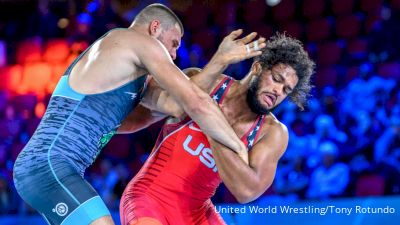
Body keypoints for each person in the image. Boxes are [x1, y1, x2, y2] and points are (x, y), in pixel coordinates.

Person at [13, 3, 265, 225]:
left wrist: (219, 62)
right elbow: (197, 102)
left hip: (50, 169)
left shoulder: (130, 73)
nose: (175, 54)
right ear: (155, 28)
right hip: (47, 165)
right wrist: (237, 147)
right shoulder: (134, 41)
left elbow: (178, 106)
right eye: (174, 43)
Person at [119, 33, 315, 225]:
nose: (278, 91)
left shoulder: (272, 132)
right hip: (149, 198)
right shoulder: (206, 83)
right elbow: (140, 115)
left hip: (196, 214)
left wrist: (210, 124)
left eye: (286, 90)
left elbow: (247, 192)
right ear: (257, 68)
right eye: (277, 79)